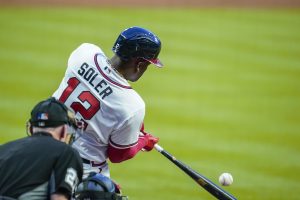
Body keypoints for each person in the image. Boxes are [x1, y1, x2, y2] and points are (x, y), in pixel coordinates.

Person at [52, 26, 162, 178]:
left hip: (44, 146)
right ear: (140, 64)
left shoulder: (85, 52)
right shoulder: (132, 105)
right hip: (81, 171)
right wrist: (142, 141)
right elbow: (118, 155)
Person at [0, 97, 83, 200]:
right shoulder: (66, 152)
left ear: (30, 128)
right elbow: (59, 198)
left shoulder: (3, 150)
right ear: (63, 130)